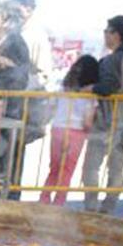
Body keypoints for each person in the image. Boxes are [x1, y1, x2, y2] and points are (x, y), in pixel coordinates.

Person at [82, 15, 123, 215]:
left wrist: (91, 87)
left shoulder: (113, 59)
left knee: (91, 166)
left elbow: (107, 87)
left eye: (107, 31)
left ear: (116, 34)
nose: (104, 35)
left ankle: (91, 207)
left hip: (109, 118)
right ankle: (109, 207)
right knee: (117, 167)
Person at [0, 4, 31, 199]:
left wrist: (3, 66)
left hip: (11, 112)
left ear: (4, 20)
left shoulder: (16, 43)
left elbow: (20, 78)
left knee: (9, 166)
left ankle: (9, 203)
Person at [40, 55, 98, 205]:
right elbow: (87, 122)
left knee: (54, 168)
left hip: (58, 129)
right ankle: (58, 204)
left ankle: (44, 199)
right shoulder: (90, 96)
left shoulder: (62, 89)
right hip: (76, 133)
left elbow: (50, 108)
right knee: (67, 171)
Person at [10, 0, 54, 88]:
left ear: (29, 10)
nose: (13, 14)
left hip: (26, 96)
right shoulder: (10, 31)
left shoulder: (38, 36)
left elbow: (44, 74)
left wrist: (22, 85)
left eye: (17, 10)